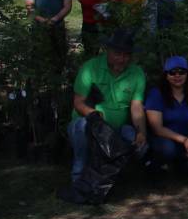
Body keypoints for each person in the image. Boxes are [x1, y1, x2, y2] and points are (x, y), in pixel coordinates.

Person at [62, 29, 148, 202]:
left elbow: (136, 106)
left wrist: (141, 132)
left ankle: (114, 181)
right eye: (117, 54)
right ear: (107, 51)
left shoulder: (137, 73)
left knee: (141, 146)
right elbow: (79, 102)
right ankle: (78, 180)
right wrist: (93, 115)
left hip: (117, 127)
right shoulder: (90, 68)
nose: (122, 59)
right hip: (91, 124)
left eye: (126, 55)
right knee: (80, 127)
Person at [145, 56, 188, 172]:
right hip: (164, 138)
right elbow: (157, 129)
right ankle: (154, 167)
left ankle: (184, 166)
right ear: (166, 75)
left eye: (182, 72)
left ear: (187, 74)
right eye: (172, 73)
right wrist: (185, 140)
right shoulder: (156, 94)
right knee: (168, 149)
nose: (177, 76)